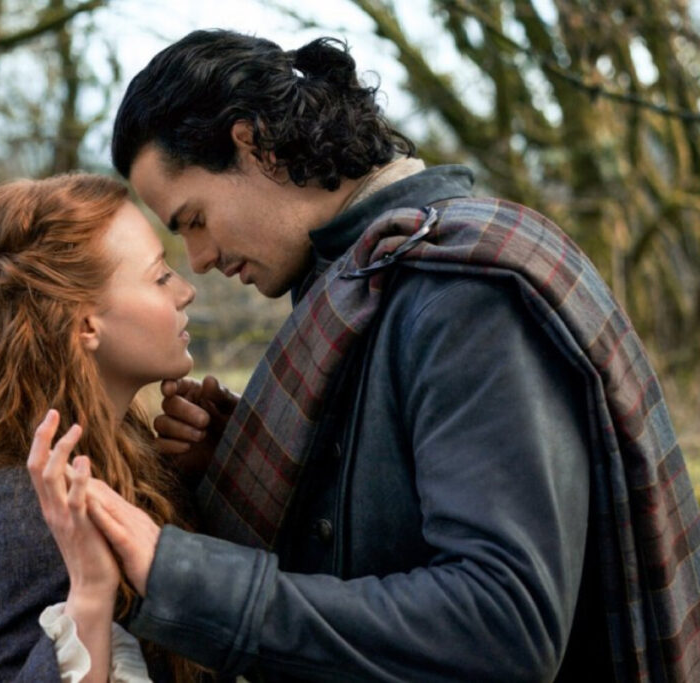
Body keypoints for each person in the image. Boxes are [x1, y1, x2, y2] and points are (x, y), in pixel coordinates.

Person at [78, 30, 700, 682]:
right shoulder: (362, 284)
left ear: (253, 144)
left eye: (194, 219)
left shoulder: (462, 295)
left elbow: (503, 629)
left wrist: (183, 578)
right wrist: (266, 467)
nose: (200, 260)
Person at [0, 174, 205, 682]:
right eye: (160, 277)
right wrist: (90, 595)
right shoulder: (11, 505)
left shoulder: (133, 457)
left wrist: (208, 476)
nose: (186, 291)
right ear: (86, 324)